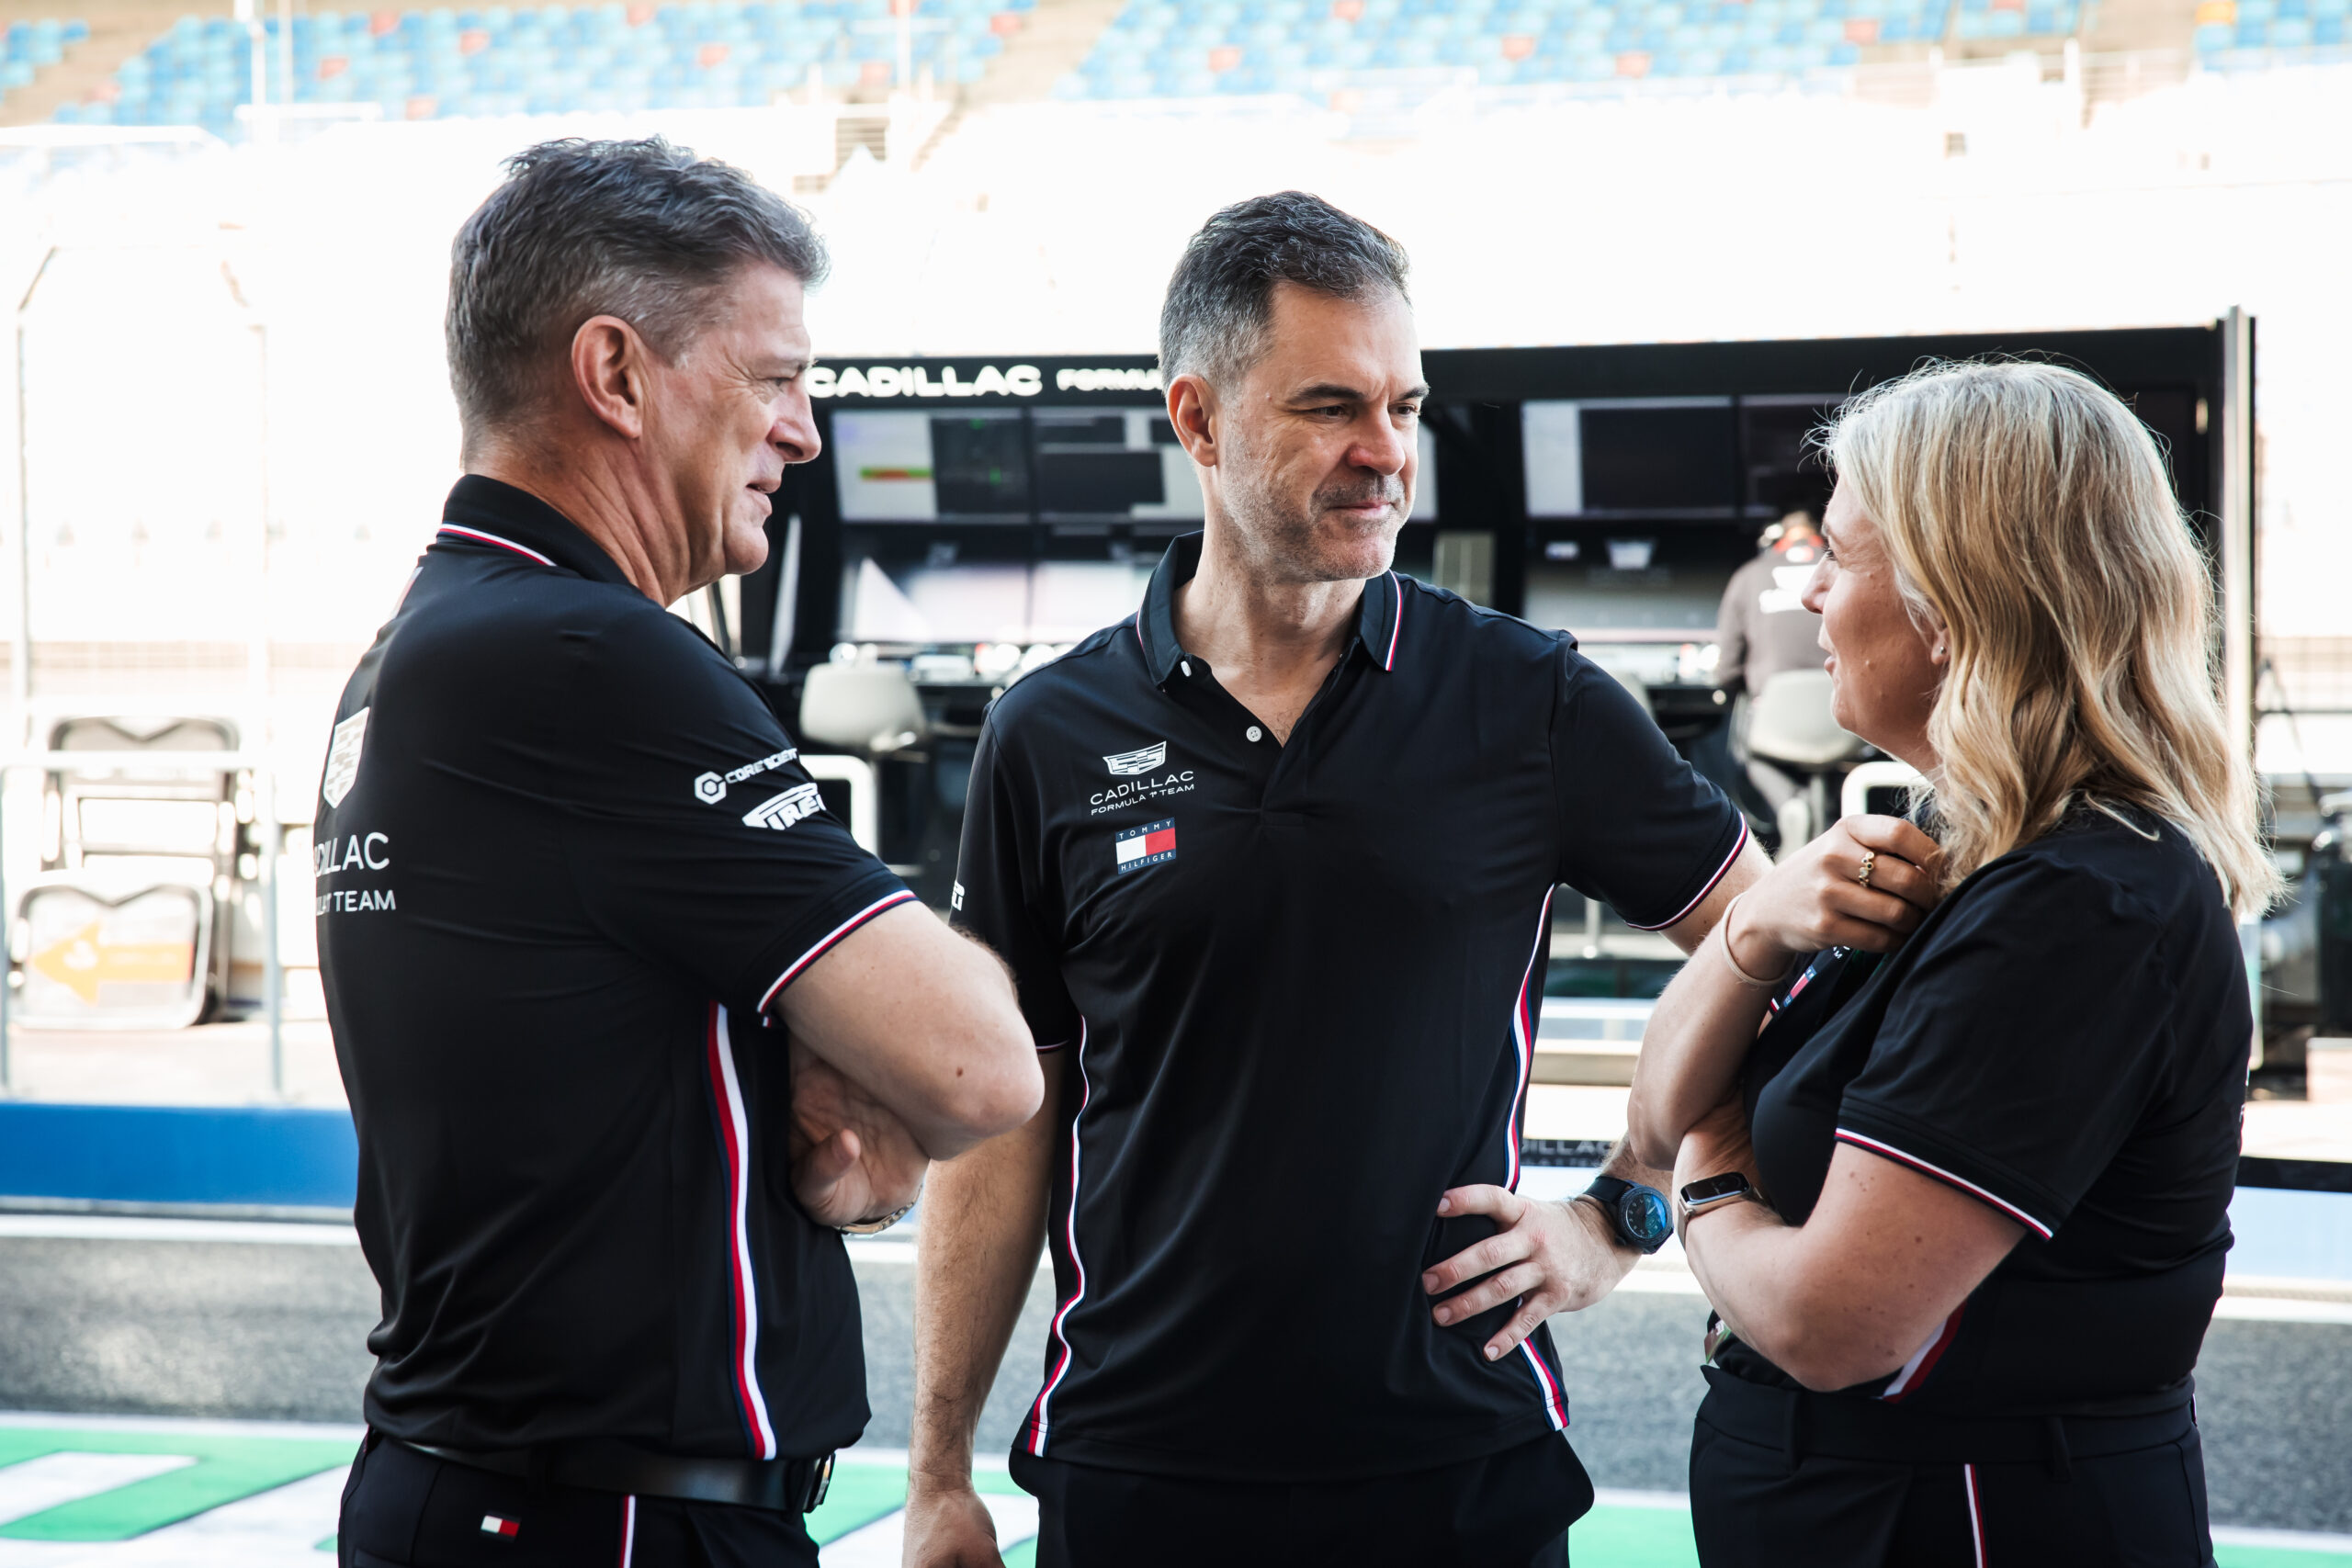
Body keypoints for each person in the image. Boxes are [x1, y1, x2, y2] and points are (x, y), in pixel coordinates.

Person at [902, 192, 1770, 1568]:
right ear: (1197, 420)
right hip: (1139, 1468)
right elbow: (1011, 1115)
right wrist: (937, 1468)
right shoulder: (1049, 733)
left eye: (1406, 406)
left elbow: (1766, 947)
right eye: (1329, 408)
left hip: (1454, 1464)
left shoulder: (1526, 699)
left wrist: (1627, 1204)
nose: (1385, 455)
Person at [316, 138, 1041, 1568]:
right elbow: (983, 1064)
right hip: (612, 1520)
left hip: (493, 1490)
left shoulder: (430, 642)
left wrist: (856, 1106)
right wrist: (872, 1073)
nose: (807, 432)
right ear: (618, 373)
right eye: (773, 377)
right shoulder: (586, 652)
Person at [1623, 359, 2278, 1567]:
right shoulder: (1966, 841)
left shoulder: (2079, 902)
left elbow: (1830, 1323)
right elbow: (1658, 1099)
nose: (1810, 592)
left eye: (1846, 554)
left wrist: (1707, 1177)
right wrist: (1757, 927)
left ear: (1960, 594)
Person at [1713, 506, 1828, 705]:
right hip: (1839, 714)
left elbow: (1728, 669)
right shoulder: (1844, 570)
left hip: (1771, 712)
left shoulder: (1749, 575)